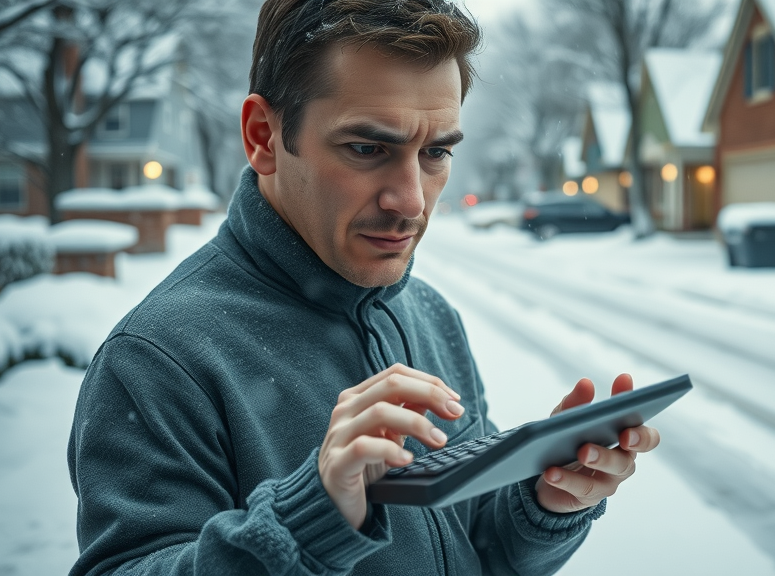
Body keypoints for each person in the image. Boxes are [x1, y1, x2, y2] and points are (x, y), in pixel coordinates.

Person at [67, 0, 662, 574]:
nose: (410, 200)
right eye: (367, 148)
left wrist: (543, 504)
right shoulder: (156, 359)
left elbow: (478, 548)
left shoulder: (428, 313)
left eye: (434, 153)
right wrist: (309, 520)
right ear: (263, 137)